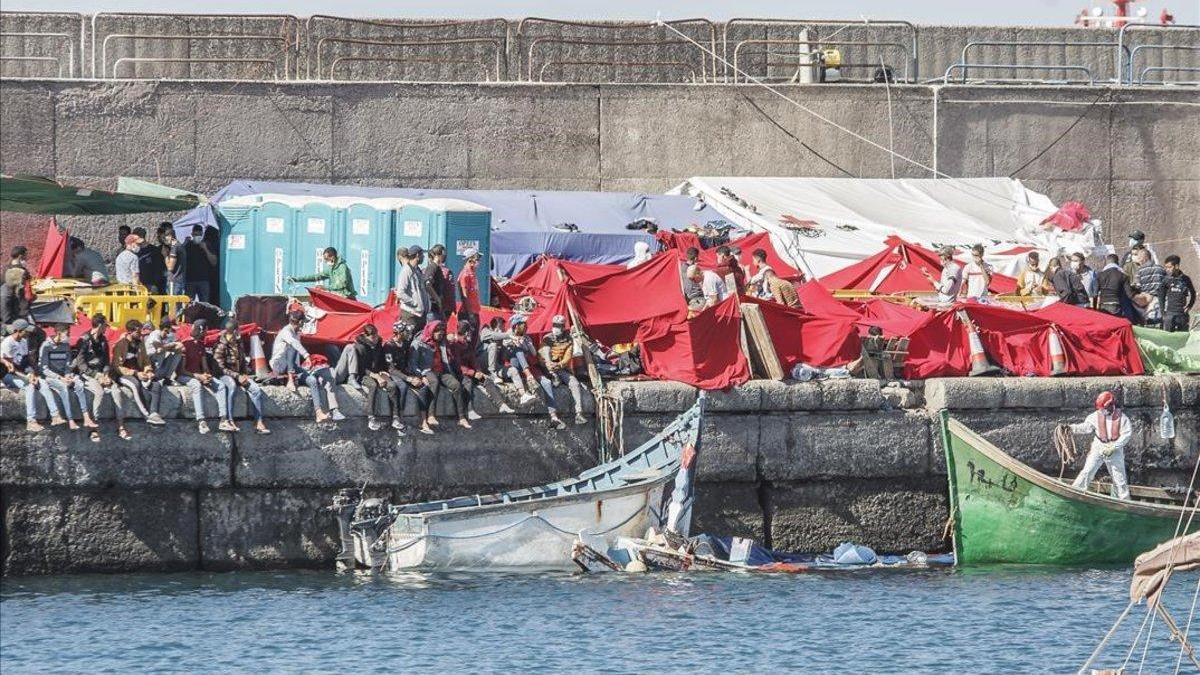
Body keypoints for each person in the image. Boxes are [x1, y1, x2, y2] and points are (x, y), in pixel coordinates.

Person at [269, 311, 344, 423]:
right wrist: (306, 355)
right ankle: (290, 380)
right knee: (291, 347)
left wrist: (304, 368)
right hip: (279, 365)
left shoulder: (297, 333)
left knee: (312, 380)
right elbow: (294, 344)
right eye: (303, 322)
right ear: (300, 322)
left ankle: (318, 412)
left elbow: (295, 358)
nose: (303, 324)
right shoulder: (286, 332)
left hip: (292, 366)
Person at [71, 314, 131, 442]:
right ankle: (94, 427)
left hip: (101, 373)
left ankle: (121, 426)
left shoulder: (103, 340)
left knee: (116, 391)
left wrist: (106, 374)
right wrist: (96, 376)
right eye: (105, 326)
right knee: (99, 392)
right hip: (88, 374)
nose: (106, 328)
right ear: (99, 325)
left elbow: (106, 361)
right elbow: (81, 363)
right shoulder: (85, 339)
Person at [1064, 391, 1131, 500]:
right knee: (1087, 471)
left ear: (1111, 405)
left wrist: (1114, 447)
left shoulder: (1123, 418)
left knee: (1120, 479)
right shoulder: (1095, 416)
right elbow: (1086, 427)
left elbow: (1126, 435)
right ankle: (1075, 494)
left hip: (1115, 449)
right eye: (1101, 408)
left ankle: (1124, 502)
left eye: (1104, 408)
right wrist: (1071, 428)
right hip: (1098, 445)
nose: (1102, 411)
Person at [1, 319, 66, 432]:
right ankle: (31, 421)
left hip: (22, 372)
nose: (28, 333)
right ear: (18, 331)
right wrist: (27, 377)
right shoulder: (7, 343)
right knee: (29, 386)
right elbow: (11, 368)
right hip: (8, 375)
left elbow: (26, 361)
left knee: (43, 383)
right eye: (26, 331)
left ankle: (55, 416)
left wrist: (32, 373)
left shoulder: (24, 341)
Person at [409, 320, 472, 429]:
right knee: (434, 382)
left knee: (456, 385)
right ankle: (431, 415)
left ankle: (461, 418)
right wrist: (421, 376)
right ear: (432, 331)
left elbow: (455, 344)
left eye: (442, 332)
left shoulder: (442, 341)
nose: (440, 335)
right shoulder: (419, 342)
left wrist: (455, 339)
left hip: (442, 371)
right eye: (438, 332)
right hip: (426, 371)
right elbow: (413, 363)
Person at [211, 320, 270, 434]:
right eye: (237, 331)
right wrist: (237, 376)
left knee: (256, 390)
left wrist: (244, 375)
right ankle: (229, 420)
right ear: (233, 331)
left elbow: (242, 362)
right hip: (225, 375)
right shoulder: (221, 346)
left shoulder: (238, 344)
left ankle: (258, 421)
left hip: (239, 375)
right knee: (231, 386)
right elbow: (220, 368)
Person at [448, 320, 514, 418]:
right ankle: (470, 411)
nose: (471, 334)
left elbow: (473, 360)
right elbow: (458, 365)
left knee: (486, 380)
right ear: (466, 332)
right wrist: (473, 373)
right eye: (470, 332)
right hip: (459, 373)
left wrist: (478, 371)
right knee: (468, 383)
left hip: (471, 371)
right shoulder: (455, 344)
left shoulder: (468, 344)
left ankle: (501, 405)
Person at [178, 319, 230, 434]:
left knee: (221, 385)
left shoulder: (201, 345)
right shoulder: (184, 344)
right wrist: (198, 377)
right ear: (201, 330)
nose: (207, 333)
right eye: (206, 330)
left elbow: (204, 366)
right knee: (196, 385)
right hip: (185, 376)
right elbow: (182, 370)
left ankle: (223, 419)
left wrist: (207, 375)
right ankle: (201, 421)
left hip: (199, 375)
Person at [380, 321, 433, 434]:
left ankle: (423, 421)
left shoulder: (405, 344)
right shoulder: (388, 346)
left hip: (405, 372)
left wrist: (419, 376)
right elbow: (391, 368)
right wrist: (408, 379)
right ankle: (399, 419)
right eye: (406, 331)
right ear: (398, 333)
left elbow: (409, 363)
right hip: (393, 373)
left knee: (423, 386)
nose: (408, 333)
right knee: (402, 387)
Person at [112, 319, 167, 425]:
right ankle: (147, 415)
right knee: (135, 384)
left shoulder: (140, 344)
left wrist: (149, 371)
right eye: (138, 332)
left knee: (156, 385)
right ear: (130, 332)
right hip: (123, 375)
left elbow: (146, 360)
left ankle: (154, 413)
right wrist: (136, 373)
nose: (141, 334)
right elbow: (117, 366)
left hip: (139, 372)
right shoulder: (120, 345)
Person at [37, 324, 89, 431]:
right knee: (63, 387)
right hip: (51, 377)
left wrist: (67, 374)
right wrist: (60, 378)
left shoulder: (65, 345)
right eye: (67, 333)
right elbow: (44, 369)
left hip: (64, 376)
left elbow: (68, 364)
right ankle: (70, 419)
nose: (69, 335)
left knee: (79, 384)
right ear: (59, 333)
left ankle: (86, 415)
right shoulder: (46, 346)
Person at [539, 315, 586, 428]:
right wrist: (549, 364)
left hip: (560, 367)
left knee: (574, 383)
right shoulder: (547, 338)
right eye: (555, 325)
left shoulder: (568, 339)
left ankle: (579, 413)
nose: (556, 328)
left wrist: (559, 365)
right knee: (546, 351)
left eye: (559, 326)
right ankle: (553, 376)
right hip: (547, 366)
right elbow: (541, 355)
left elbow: (568, 356)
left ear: (563, 327)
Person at [498, 315, 542, 408]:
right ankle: (529, 376)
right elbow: (503, 351)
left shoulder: (526, 337)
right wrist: (512, 342)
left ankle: (529, 377)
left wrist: (527, 344)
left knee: (519, 350)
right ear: (516, 325)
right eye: (523, 324)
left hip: (521, 365)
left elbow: (534, 354)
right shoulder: (508, 334)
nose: (526, 326)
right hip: (510, 365)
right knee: (517, 349)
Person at [289, 247, 357, 300]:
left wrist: (325, 288)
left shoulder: (342, 267)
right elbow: (316, 277)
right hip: (338, 297)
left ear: (332, 257)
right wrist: (296, 279)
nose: (325, 261)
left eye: (326, 259)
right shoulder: (331, 269)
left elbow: (341, 285)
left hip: (347, 298)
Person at [394, 246, 429, 333]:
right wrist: (415, 303)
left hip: (420, 314)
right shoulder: (406, 271)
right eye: (422, 255)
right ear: (417, 255)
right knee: (408, 341)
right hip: (410, 315)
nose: (424, 257)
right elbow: (400, 293)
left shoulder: (417, 270)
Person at [1159, 255, 1196, 333]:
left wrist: (1189, 306)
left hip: (1182, 314)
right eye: (1166, 267)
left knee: (1183, 338)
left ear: (1176, 266)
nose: (1167, 269)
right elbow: (1161, 296)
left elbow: (1193, 293)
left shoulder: (1186, 279)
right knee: (1168, 338)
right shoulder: (1166, 280)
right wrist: (1163, 313)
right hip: (1169, 314)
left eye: (1169, 267)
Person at [1133, 248, 1167, 327]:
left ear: (1144, 258)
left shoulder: (1139, 271)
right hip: (1161, 301)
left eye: (1139, 258)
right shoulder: (1161, 268)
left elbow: (1137, 286)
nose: (1138, 261)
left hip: (1146, 301)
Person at [183, 224, 217, 303]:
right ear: (192, 234)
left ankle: (204, 316)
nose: (197, 237)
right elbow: (179, 257)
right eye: (195, 235)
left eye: (199, 235)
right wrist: (184, 244)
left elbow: (214, 262)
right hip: (190, 280)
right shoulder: (188, 245)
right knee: (188, 304)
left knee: (205, 304)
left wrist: (205, 249)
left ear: (202, 234)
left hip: (204, 280)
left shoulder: (207, 245)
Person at [1095, 253, 1135, 318]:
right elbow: (1129, 294)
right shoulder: (1123, 275)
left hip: (1102, 305)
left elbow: (1095, 293)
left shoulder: (1099, 275)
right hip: (1116, 304)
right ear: (1117, 262)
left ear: (1107, 262)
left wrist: (1094, 308)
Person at [423, 244, 455, 321]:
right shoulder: (432, 267)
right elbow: (427, 284)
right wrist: (437, 299)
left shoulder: (437, 268)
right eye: (443, 254)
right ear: (438, 254)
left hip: (438, 309)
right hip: (433, 309)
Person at [145, 317, 183, 382]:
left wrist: (177, 346)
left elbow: (180, 348)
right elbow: (159, 349)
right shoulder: (155, 333)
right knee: (161, 352)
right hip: (148, 364)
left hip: (159, 366)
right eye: (166, 331)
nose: (167, 334)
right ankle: (153, 376)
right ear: (163, 329)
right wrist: (172, 344)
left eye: (168, 332)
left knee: (178, 354)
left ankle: (167, 378)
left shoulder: (169, 336)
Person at [134, 226, 166, 293]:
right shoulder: (135, 251)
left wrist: (155, 284)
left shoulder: (154, 250)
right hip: (140, 286)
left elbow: (159, 269)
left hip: (152, 287)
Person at [457, 247, 483, 325]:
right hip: (468, 313)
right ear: (470, 259)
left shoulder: (472, 274)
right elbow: (465, 296)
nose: (479, 261)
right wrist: (470, 314)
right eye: (477, 259)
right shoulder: (465, 275)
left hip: (474, 312)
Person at [160, 224, 186, 296]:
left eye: (165, 238)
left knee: (173, 305)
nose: (164, 241)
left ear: (170, 237)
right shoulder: (179, 246)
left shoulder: (175, 248)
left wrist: (165, 256)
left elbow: (170, 267)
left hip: (174, 282)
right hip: (179, 280)